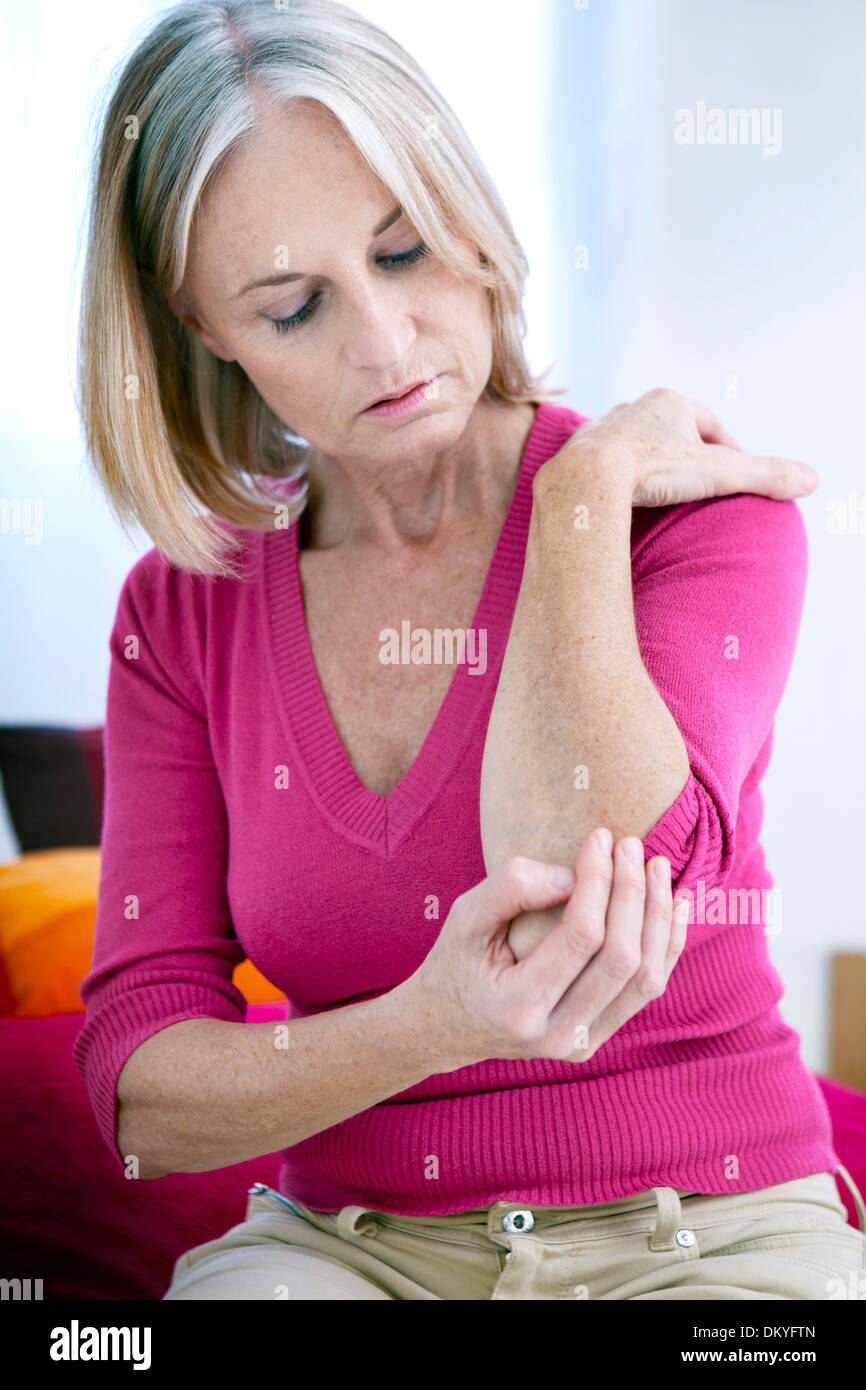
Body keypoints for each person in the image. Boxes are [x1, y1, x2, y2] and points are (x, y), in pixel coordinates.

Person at [72, 0, 866, 1300]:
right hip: (342, 1249)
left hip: (710, 1233)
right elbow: (143, 1098)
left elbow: (575, 880)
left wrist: (571, 502)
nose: (383, 346)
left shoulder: (688, 511)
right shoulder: (181, 609)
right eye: (291, 308)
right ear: (202, 327)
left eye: (404, 250)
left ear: (471, 214)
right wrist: (430, 1022)